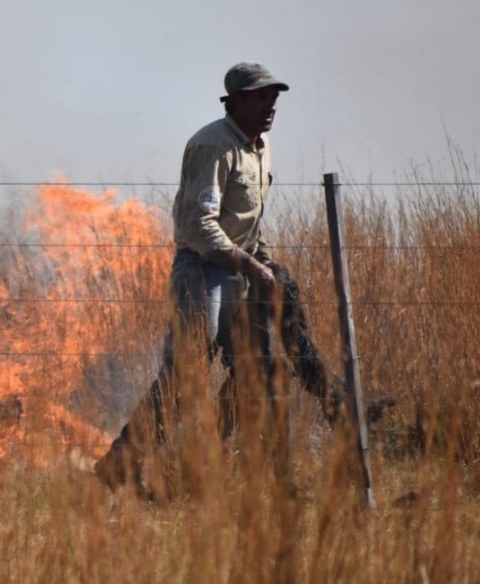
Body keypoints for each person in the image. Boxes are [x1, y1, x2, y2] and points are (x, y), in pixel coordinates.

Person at [94, 62, 324, 494]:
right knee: (184, 377)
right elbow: (201, 225)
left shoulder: (260, 145)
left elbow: (246, 221)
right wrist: (252, 266)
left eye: (274, 96)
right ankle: (120, 465)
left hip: (239, 270)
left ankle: (269, 480)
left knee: (263, 373)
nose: (271, 105)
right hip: (202, 273)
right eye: (260, 96)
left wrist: (264, 261)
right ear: (233, 100)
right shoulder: (211, 145)